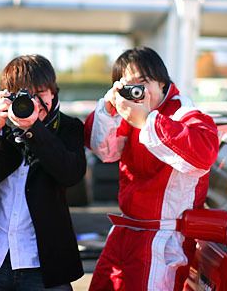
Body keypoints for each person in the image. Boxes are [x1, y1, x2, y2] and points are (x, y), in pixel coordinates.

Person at [85, 47, 219, 291]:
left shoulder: (185, 114)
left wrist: (146, 120)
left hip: (165, 239)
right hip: (126, 230)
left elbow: (204, 155)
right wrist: (108, 107)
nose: (138, 91)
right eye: (128, 85)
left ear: (162, 83)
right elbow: (103, 150)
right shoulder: (128, 113)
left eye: (143, 83)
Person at [0, 54, 86, 290]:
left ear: (53, 94)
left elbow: (71, 175)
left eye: (39, 94)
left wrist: (34, 130)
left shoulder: (68, 128)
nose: (31, 103)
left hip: (43, 264)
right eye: (22, 96)